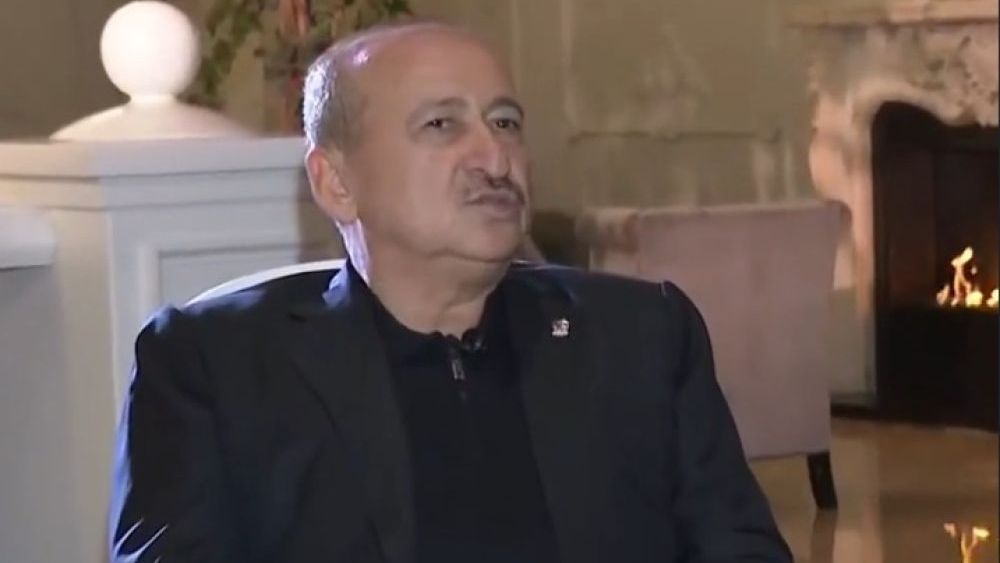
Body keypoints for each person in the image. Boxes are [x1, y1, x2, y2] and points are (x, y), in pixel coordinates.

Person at [109, 19, 792, 563]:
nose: (495, 157)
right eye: (442, 125)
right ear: (336, 182)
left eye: (506, 122)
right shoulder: (213, 367)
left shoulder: (642, 337)